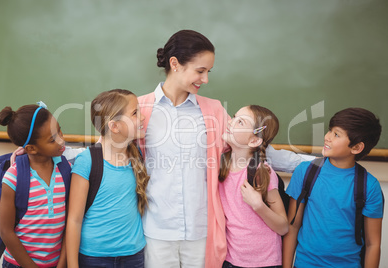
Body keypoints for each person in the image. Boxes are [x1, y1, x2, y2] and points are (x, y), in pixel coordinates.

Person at [137, 29, 312, 268]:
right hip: (155, 230)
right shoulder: (139, 109)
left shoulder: (214, 110)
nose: (205, 79)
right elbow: (106, 151)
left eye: (208, 71)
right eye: (200, 71)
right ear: (175, 64)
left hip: (203, 231)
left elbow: (253, 147)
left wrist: (317, 163)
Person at [283, 108, 384, 268]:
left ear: (356, 148)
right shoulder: (305, 171)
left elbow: (373, 244)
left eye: (336, 134)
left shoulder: (369, 186)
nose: (327, 137)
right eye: (330, 131)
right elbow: (293, 226)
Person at [66, 89, 149, 268]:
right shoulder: (87, 161)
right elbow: (74, 219)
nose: (143, 117)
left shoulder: (138, 155)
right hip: (94, 258)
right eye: (135, 113)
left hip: (133, 256)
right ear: (115, 126)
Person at [0, 102, 68, 268]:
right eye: (52, 139)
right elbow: (5, 232)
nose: (61, 139)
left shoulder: (65, 169)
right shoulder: (14, 177)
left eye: (59, 129)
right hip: (19, 264)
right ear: (31, 148)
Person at [218, 105, 288, 268]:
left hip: (265, 262)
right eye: (234, 117)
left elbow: (283, 227)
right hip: (231, 259)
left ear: (254, 140)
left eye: (240, 122)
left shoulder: (261, 172)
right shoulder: (220, 166)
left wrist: (258, 205)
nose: (231, 122)